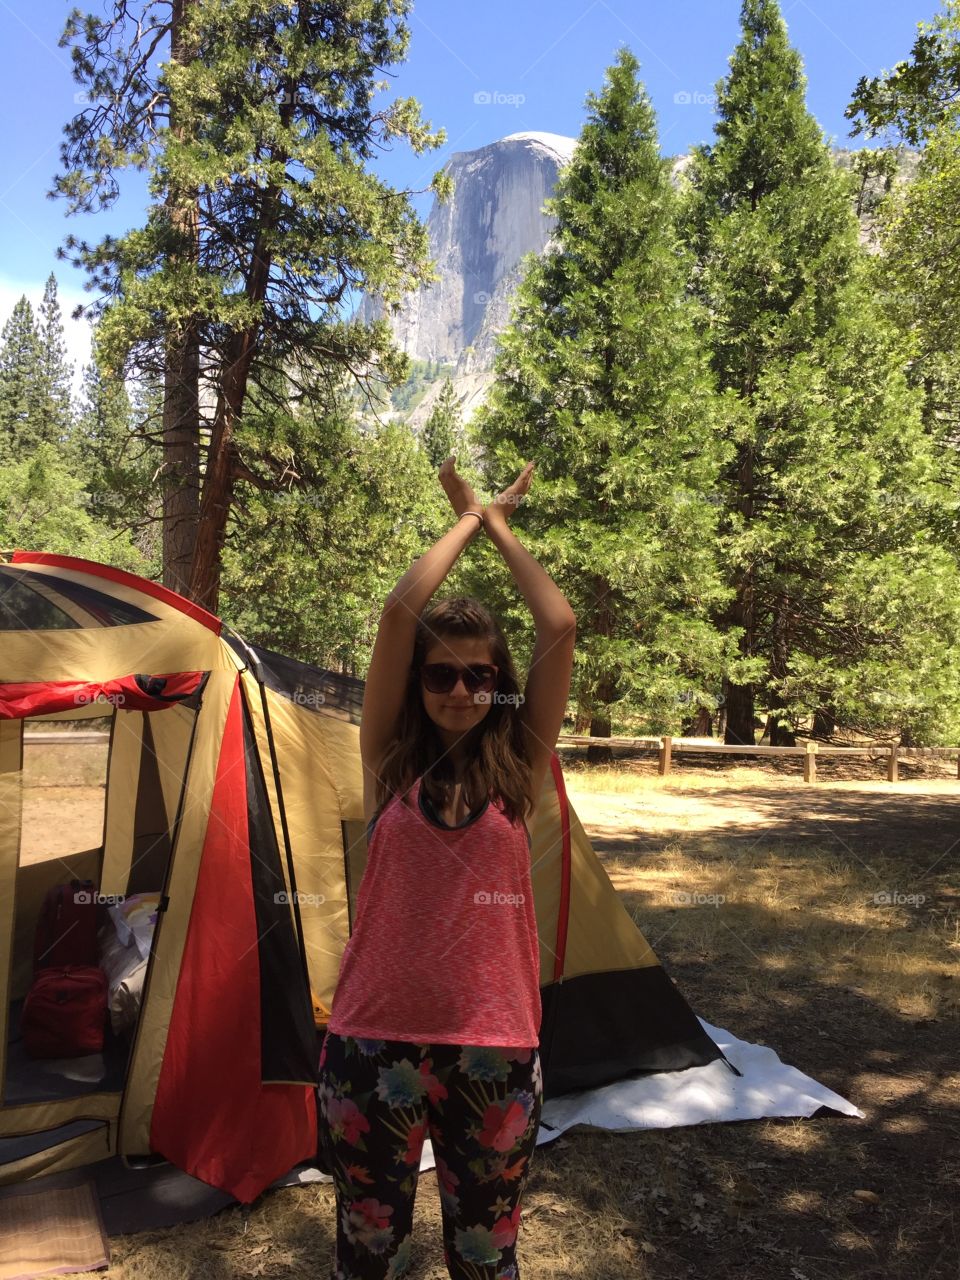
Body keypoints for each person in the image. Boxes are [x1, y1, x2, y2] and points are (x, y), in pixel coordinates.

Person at [318, 454, 576, 1280]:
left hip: (494, 1047)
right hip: (372, 1040)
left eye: (479, 675)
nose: (459, 689)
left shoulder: (518, 769)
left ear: (500, 684)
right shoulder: (389, 762)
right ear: (419, 680)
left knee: (485, 1256)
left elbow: (561, 628)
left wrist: (501, 527)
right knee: (365, 1252)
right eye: (440, 673)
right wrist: (464, 518)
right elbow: (400, 613)